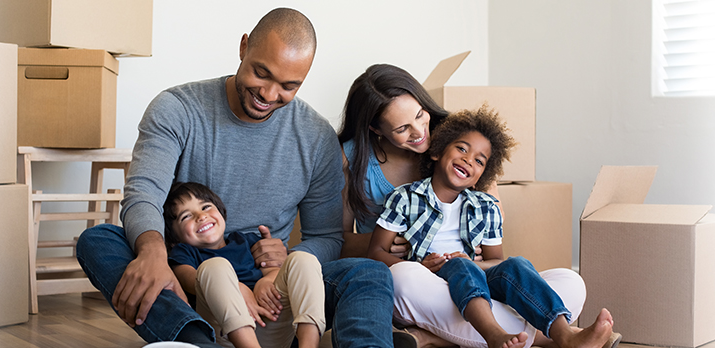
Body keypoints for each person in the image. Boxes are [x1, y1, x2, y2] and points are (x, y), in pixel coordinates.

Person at [75, 8, 403, 348]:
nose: (270, 94)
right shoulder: (177, 108)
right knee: (99, 241)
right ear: (244, 47)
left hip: (272, 294)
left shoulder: (317, 137)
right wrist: (154, 253)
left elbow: (326, 236)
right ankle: (197, 338)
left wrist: (282, 263)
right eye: (262, 73)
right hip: (192, 282)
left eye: (289, 86)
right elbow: (144, 192)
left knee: (369, 273)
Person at [336, 64, 594, 348]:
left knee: (570, 282)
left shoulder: (458, 138)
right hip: (419, 279)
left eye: (420, 115)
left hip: (474, 278)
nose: (421, 131)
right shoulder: (364, 167)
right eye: (402, 128)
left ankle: (433, 337)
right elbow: (344, 243)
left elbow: (495, 248)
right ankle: (542, 337)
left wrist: (479, 259)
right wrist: (402, 246)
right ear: (376, 129)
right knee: (404, 278)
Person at [366, 107, 621, 348]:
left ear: (482, 176)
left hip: (479, 284)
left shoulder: (486, 206)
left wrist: (472, 263)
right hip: (431, 285)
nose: (468, 161)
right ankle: (496, 334)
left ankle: (564, 334)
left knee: (557, 277)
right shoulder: (406, 198)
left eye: (479, 161)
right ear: (437, 152)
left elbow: (495, 262)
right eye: (462, 149)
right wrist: (420, 266)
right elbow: (376, 252)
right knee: (404, 277)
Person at [164, 182, 324, 348]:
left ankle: (309, 345)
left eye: (205, 207)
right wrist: (236, 287)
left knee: (303, 259)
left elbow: (273, 268)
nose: (201, 216)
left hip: (271, 320)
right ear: (174, 237)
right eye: (186, 216)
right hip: (227, 331)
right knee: (214, 266)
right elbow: (189, 280)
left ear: (221, 211)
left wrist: (267, 279)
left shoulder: (244, 240)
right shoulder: (183, 253)